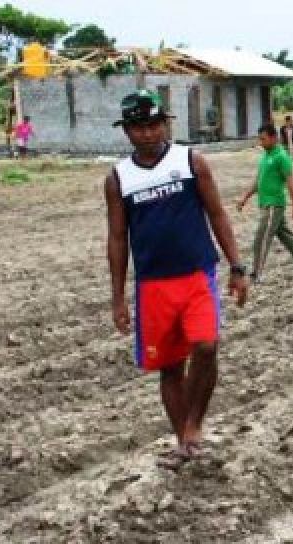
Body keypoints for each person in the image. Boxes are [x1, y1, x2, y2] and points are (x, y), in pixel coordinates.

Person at [103, 90, 248, 468]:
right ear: (127, 132)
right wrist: (118, 297)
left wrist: (236, 266)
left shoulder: (191, 162)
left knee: (205, 346)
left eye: (154, 125)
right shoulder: (119, 178)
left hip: (197, 275)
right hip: (152, 285)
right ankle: (184, 443)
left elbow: (217, 215)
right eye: (139, 127)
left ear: (165, 125)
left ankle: (194, 426)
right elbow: (118, 238)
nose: (148, 134)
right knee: (169, 368)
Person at [237, 122, 293, 282]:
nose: (260, 143)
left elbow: (291, 184)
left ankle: (256, 273)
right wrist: (244, 197)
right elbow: (258, 181)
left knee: (262, 237)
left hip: (274, 204)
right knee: (286, 236)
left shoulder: (282, 157)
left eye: (263, 139)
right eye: (259, 139)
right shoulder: (266, 156)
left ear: (274, 138)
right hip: (265, 203)